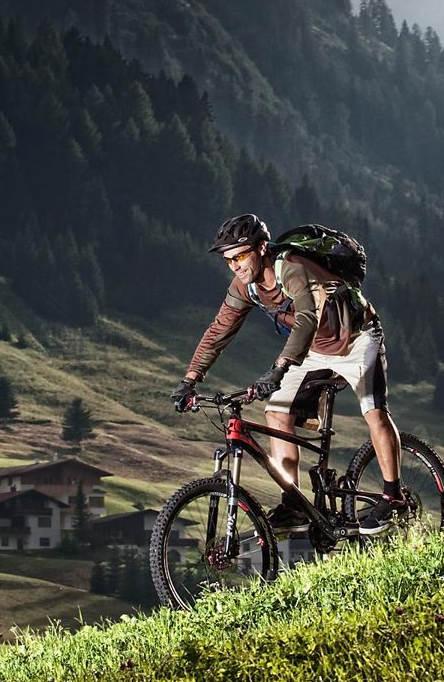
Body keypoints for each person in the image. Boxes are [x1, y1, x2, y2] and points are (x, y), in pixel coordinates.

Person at [174, 213, 407, 529]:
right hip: (314, 350)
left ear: (261, 248)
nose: (235, 266)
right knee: (276, 413)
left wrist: (280, 368)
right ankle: (295, 504)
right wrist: (190, 380)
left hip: (356, 338)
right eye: (229, 261)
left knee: (373, 411)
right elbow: (219, 331)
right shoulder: (245, 287)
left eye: (240, 256)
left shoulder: (292, 267)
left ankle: (394, 497)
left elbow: (306, 320)